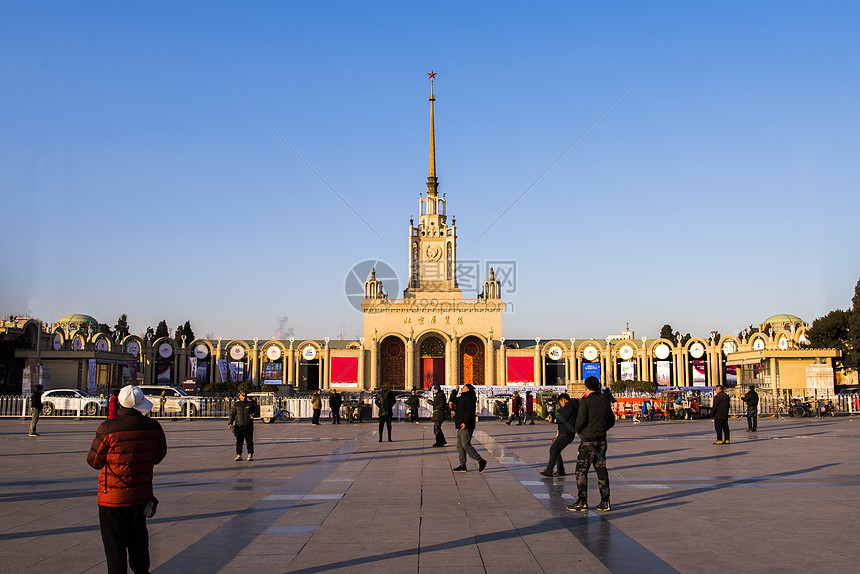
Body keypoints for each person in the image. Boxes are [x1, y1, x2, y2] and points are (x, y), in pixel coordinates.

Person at [86, 385, 167, 574]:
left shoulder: (108, 428)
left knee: (115, 549)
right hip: (141, 495)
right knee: (139, 543)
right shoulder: (153, 427)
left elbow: (94, 461)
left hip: (112, 498)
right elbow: (158, 456)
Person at [567, 376, 615, 512]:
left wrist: (579, 430)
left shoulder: (585, 402)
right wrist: (602, 429)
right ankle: (605, 501)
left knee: (581, 470)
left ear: (586, 387)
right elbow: (611, 421)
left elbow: (580, 421)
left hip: (588, 441)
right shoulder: (604, 402)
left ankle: (582, 501)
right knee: (601, 470)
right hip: (601, 441)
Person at [451, 384, 487, 473]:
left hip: (466, 425)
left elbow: (470, 412)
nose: (462, 388)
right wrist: (455, 391)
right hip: (460, 424)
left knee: (466, 444)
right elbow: (452, 400)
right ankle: (462, 465)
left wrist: (465, 423)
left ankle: (480, 460)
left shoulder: (470, 398)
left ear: (467, 389)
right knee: (460, 446)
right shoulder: (462, 397)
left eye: (464, 387)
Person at [540, 393, 578, 477]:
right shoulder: (570, 406)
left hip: (566, 434)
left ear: (563, 400)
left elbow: (563, 419)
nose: (560, 404)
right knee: (556, 450)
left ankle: (549, 470)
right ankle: (560, 470)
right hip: (565, 433)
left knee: (553, 449)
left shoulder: (568, 407)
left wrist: (554, 420)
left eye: (560, 402)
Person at [228, 391, 259, 461]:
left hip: (248, 425)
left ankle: (250, 454)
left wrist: (253, 415)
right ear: (239, 396)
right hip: (239, 425)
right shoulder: (236, 405)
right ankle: (239, 454)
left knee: (249, 441)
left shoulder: (250, 404)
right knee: (239, 441)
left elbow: (257, 411)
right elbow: (232, 414)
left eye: (245, 395)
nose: (244, 396)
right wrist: (230, 423)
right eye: (242, 395)